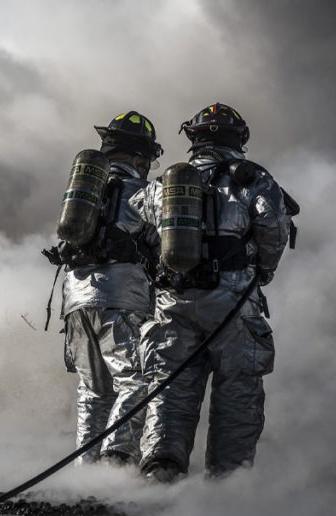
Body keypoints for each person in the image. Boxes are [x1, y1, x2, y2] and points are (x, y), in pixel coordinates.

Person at [127, 103, 296, 481]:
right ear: (240, 138)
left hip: (173, 302)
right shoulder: (254, 179)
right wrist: (263, 271)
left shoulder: (165, 185)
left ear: (194, 139)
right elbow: (274, 226)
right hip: (234, 303)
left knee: (171, 390)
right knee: (237, 393)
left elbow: (136, 222)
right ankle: (226, 485)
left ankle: (161, 472)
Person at [45, 111, 163, 466]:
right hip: (122, 298)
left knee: (92, 390)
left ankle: (86, 470)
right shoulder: (144, 192)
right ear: (140, 158)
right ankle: (115, 460)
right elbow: (163, 250)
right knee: (136, 381)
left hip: (76, 299)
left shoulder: (82, 198)